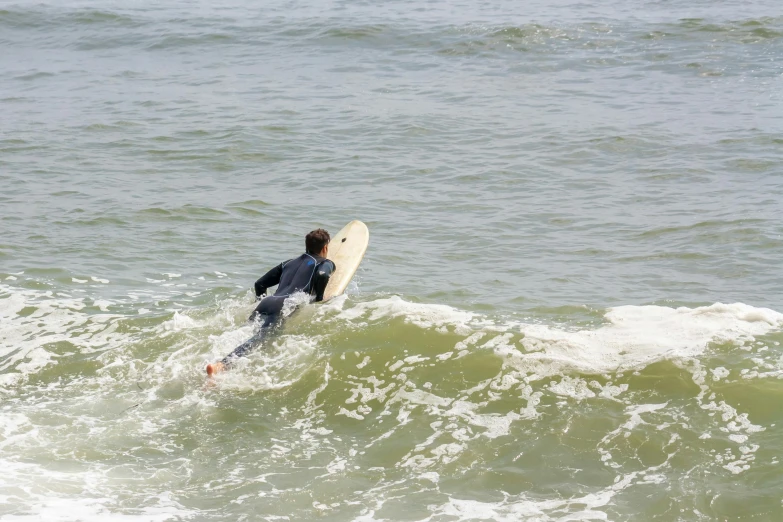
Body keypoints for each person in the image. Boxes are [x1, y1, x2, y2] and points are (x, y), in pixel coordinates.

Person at [206, 228, 336, 375]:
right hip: (283, 305)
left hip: (266, 303)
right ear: (325, 247)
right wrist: (319, 299)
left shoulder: (288, 263)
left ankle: (216, 361)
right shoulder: (325, 262)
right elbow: (323, 275)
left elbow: (260, 284)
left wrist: (258, 302)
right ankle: (221, 365)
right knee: (260, 339)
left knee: (244, 332)